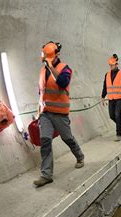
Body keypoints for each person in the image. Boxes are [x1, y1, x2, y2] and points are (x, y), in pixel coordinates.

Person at [33, 41, 85, 187]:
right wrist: (38, 110)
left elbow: (62, 82)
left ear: (57, 55)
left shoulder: (65, 69)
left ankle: (79, 156)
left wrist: (51, 67)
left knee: (67, 138)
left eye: (50, 58)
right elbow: (41, 92)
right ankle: (46, 175)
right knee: (45, 141)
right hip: (45, 113)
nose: (48, 61)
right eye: (46, 59)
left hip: (60, 113)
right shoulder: (43, 71)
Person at [101, 54, 121, 142]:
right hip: (111, 98)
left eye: (112, 65)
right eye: (110, 65)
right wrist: (103, 97)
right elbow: (105, 87)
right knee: (112, 116)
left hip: (120, 98)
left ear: (116, 64)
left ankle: (119, 134)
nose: (110, 67)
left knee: (118, 114)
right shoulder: (107, 75)